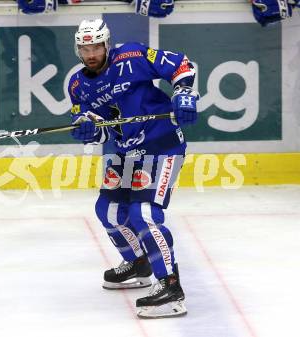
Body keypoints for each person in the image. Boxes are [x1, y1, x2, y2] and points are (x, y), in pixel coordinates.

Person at [68, 19, 199, 319]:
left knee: (143, 214)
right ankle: (139, 263)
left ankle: (171, 287)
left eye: (96, 46)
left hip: (162, 146)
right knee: (109, 212)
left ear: (107, 44)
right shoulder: (77, 85)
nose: (91, 53)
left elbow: (181, 65)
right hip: (126, 153)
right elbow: (98, 128)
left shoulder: (132, 56)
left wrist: (183, 94)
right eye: (85, 48)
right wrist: (88, 131)